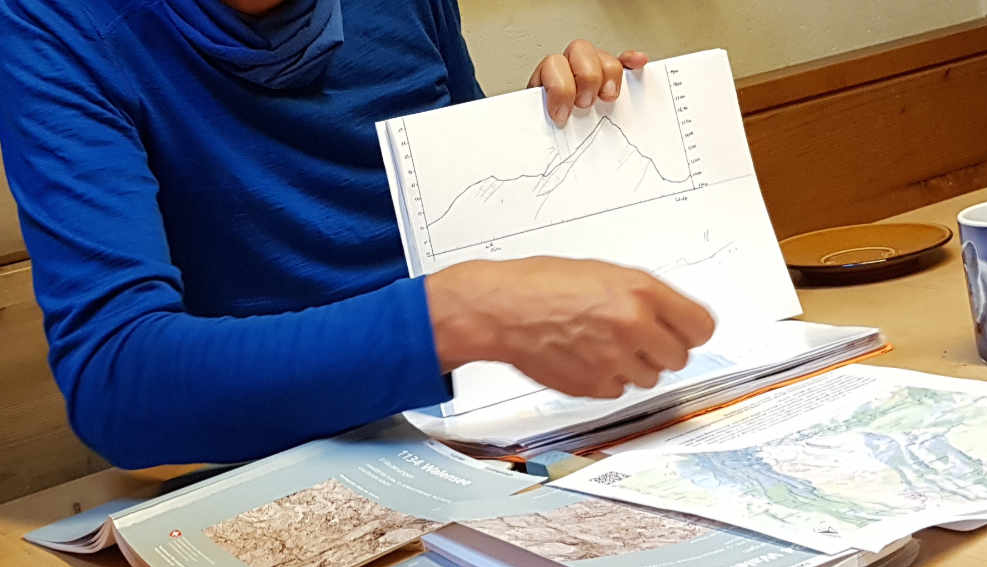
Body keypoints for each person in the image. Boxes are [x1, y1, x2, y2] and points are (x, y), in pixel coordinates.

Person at [0, 0, 715, 469]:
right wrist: (458, 316)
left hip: (499, 435)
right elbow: (116, 382)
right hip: (279, 474)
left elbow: (458, 236)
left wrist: (545, 146)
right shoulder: (56, 25)